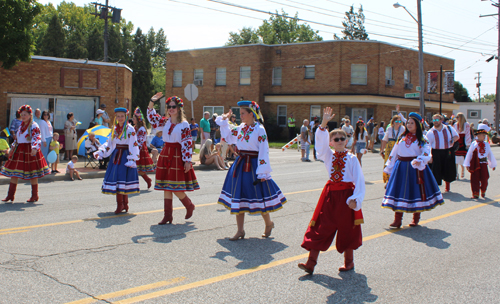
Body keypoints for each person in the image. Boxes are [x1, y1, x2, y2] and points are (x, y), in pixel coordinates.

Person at [298, 107, 365, 274]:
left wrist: (356, 198)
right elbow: (319, 146)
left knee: (347, 228)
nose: (340, 140)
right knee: (321, 226)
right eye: (336, 139)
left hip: (346, 197)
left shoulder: (352, 159)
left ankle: (349, 262)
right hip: (330, 196)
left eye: (343, 138)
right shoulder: (329, 155)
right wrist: (324, 123)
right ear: (331, 142)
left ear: (347, 140)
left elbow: (359, 180)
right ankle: (310, 263)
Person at [216, 100, 287, 240]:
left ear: (251, 114)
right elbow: (229, 136)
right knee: (238, 196)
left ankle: (268, 223)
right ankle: (240, 230)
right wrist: (224, 121)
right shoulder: (242, 127)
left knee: (258, 196)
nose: (240, 116)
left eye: (243, 113)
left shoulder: (259, 129)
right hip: (241, 163)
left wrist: (262, 171)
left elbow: (263, 150)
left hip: (254, 165)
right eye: (240, 113)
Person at [382, 112, 444, 228]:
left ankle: (415, 218)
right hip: (400, 167)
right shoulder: (402, 137)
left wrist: (420, 160)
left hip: (415, 167)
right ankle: (397, 220)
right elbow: (394, 152)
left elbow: (427, 151)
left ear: (417, 125)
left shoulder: (422, 138)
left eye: (412, 123)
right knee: (399, 192)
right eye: (408, 123)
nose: (409, 125)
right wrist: (389, 166)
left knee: (416, 192)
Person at [148, 93, 199, 225]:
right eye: (169, 106)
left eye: (174, 107)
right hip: (166, 152)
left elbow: (187, 143)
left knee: (175, 186)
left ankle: (189, 205)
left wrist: (187, 160)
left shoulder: (184, 124)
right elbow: (152, 118)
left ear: (179, 108)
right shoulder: (165, 121)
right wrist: (151, 102)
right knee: (166, 185)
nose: (171, 109)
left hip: (177, 154)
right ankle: (168, 216)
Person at [94, 108, 140, 214]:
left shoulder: (130, 129)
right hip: (116, 155)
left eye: (122, 116)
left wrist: (132, 159)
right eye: (118, 116)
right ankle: (121, 204)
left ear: (126, 117)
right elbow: (109, 143)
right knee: (118, 180)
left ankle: (125, 204)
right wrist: (100, 151)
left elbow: (134, 144)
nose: (120, 118)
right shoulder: (114, 128)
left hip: (126, 155)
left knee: (123, 180)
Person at [1, 105, 50, 203]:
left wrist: (35, 148)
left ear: (30, 115)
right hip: (20, 150)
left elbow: (37, 137)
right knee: (14, 173)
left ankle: (35, 195)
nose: (23, 116)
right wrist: (12, 148)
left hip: (29, 150)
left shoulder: (34, 125)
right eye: (22, 115)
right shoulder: (21, 125)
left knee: (33, 173)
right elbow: (18, 139)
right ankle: (10, 195)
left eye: (25, 114)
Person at [426, 114, 459, 193]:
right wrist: (429, 156)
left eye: (437, 120)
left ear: (441, 120)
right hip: (436, 152)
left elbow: (456, 136)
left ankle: (447, 187)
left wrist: (453, 140)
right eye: (434, 120)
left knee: (448, 169)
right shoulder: (430, 132)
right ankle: (436, 188)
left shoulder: (449, 128)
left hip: (447, 151)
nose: (435, 122)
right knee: (436, 170)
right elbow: (427, 145)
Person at [464, 124, 497, 199]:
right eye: (482, 135)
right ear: (478, 135)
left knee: (484, 178)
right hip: (476, 163)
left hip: (484, 163)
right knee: (475, 178)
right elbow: (469, 154)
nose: (484, 137)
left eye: (484, 135)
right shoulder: (474, 144)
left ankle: (483, 190)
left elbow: (490, 154)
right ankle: (475, 193)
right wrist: (467, 164)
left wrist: (493, 164)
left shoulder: (486, 144)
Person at [132, 107, 155, 189]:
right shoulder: (134, 127)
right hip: (134, 149)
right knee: (136, 169)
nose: (132, 119)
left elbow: (140, 141)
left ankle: (136, 184)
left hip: (139, 150)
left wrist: (134, 150)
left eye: (134, 118)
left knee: (137, 169)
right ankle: (147, 180)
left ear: (138, 120)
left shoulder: (141, 129)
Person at [380, 116, 405, 183]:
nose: (398, 123)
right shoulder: (389, 128)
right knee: (388, 163)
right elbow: (385, 140)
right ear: (393, 122)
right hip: (390, 148)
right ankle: (388, 180)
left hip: (398, 148)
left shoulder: (402, 128)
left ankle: (396, 179)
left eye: (399, 121)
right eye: (396, 121)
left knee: (397, 163)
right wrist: (382, 150)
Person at [453, 113, 472, 179]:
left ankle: (462, 172)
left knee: (462, 158)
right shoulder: (455, 124)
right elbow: (454, 134)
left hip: (463, 142)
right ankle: (456, 173)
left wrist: (468, 144)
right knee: (456, 159)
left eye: (457, 117)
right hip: (457, 142)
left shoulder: (466, 124)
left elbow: (467, 134)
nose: (456, 118)